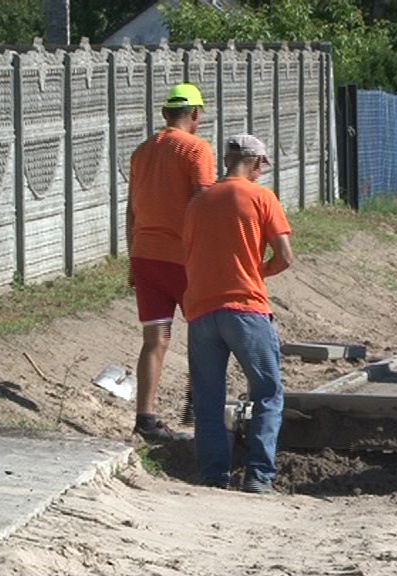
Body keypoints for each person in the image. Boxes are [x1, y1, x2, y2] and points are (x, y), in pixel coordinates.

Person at [182, 134, 294, 492]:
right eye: (263, 166)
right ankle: (259, 477)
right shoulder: (262, 197)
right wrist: (257, 271)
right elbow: (285, 256)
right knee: (267, 392)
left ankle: (214, 475)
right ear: (257, 163)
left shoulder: (198, 203)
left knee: (208, 397)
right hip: (246, 309)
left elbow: (192, 252)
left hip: (200, 310)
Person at [127, 82, 216, 442]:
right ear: (196, 114)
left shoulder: (141, 151)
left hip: (146, 255)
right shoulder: (197, 149)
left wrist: (132, 259)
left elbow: (131, 211)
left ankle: (145, 419)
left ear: (165, 114)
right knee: (204, 335)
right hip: (185, 258)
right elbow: (204, 204)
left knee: (155, 339)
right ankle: (198, 410)